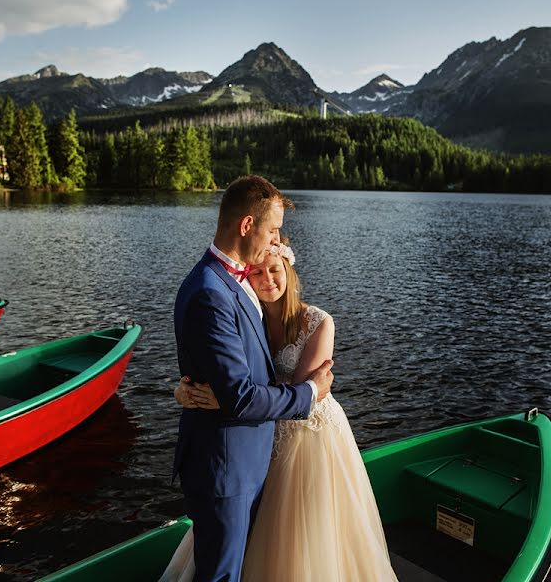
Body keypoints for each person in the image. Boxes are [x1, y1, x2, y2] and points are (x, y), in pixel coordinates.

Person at [167, 237, 398, 582]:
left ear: (288, 272)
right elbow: (224, 369)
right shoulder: (249, 316)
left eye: (275, 270)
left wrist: (228, 397)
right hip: (261, 427)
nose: (267, 279)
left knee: (300, 529)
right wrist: (185, 389)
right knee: (246, 517)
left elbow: (300, 394)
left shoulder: (318, 323)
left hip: (308, 434)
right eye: (257, 272)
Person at [170, 175, 335, 582]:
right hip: (227, 469)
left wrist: (186, 386)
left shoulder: (238, 280)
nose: (278, 240)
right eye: (273, 229)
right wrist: (311, 391)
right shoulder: (211, 291)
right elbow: (240, 397)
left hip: (252, 460)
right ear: (247, 226)